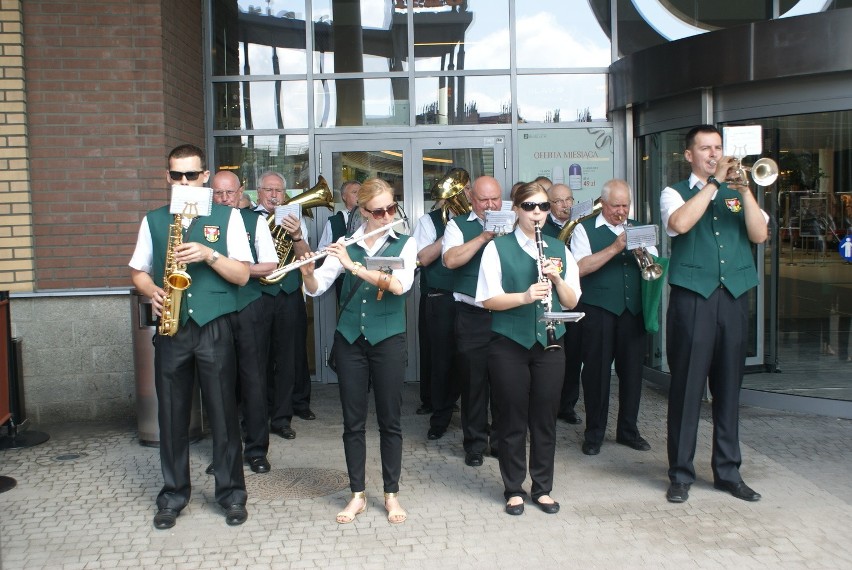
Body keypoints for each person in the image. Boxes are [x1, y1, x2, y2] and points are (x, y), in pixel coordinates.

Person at [129, 144, 251, 529]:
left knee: (224, 416)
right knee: (171, 415)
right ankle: (173, 494)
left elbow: (244, 276)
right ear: (168, 177)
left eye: (190, 175)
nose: (183, 181)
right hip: (173, 326)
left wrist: (209, 255)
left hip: (215, 326)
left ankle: (231, 494)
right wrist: (152, 291)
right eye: (175, 175)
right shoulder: (153, 220)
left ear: (204, 176)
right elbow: (137, 272)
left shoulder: (228, 218)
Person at [299, 178, 417, 525]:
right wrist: (307, 273)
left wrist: (355, 266)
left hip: (388, 339)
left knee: (390, 421)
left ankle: (391, 494)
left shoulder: (405, 245)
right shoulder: (345, 243)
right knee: (352, 423)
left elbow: (399, 286)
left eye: (391, 208)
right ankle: (357, 495)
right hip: (350, 340)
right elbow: (318, 288)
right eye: (378, 211)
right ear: (361, 210)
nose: (386, 215)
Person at [661, 125, 768, 503]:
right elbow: (680, 224)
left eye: (718, 147)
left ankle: (727, 471)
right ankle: (680, 474)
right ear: (689, 154)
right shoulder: (674, 192)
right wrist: (712, 184)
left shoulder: (737, 192)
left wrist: (745, 191)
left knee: (728, 389)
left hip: (734, 298)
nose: (713, 154)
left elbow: (758, 235)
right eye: (705, 148)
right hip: (694, 300)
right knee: (688, 388)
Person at [476, 182, 581, 515]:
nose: (538, 213)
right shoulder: (497, 248)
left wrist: (558, 279)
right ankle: (513, 487)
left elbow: (572, 300)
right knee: (511, 417)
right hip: (508, 342)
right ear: (517, 209)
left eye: (544, 207)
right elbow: (488, 299)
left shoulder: (558, 248)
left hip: (549, 343)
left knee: (545, 417)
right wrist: (524, 296)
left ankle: (543, 487)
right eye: (530, 206)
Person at [570, 179, 655, 456]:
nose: (621, 211)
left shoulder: (639, 226)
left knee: (632, 374)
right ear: (603, 204)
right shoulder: (584, 229)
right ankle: (594, 433)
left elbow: (654, 264)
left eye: (625, 205)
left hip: (632, 312)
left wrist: (644, 254)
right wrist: (616, 247)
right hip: (598, 310)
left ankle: (628, 431)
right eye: (616, 206)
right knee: (596, 375)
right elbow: (580, 268)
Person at [210, 170, 278, 474]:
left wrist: (235, 270)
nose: (225, 199)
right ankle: (224, 452)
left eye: (230, 193)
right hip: (214, 310)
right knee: (218, 384)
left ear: (241, 193)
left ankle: (256, 450)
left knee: (254, 381)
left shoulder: (256, 221)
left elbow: (271, 264)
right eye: (218, 193)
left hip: (249, 307)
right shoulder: (202, 221)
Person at [443, 175, 503, 466]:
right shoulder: (458, 226)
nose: (490, 205)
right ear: (471, 199)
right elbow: (450, 260)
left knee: (506, 382)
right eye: (484, 200)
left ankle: (502, 441)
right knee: (474, 383)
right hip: (472, 315)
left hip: (507, 313)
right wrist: (484, 236)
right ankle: (475, 445)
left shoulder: (515, 222)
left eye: (495, 199)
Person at [254, 172, 314, 439]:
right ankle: (259, 413)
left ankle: (281, 418)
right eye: (269, 190)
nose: (274, 195)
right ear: (259, 192)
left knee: (288, 359)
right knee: (258, 359)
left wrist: (298, 235)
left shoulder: (294, 218)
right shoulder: (247, 217)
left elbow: (307, 260)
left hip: (288, 293)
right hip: (257, 296)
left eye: (278, 190)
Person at [413, 169, 469, 440]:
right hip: (441, 299)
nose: (464, 195)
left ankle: (473, 419)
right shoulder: (429, 221)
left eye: (466, 190)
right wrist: (450, 233)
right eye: (461, 192)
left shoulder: (480, 222)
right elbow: (422, 258)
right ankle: (440, 418)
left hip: (472, 298)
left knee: (471, 361)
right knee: (441, 361)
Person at [542, 183, 583, 426]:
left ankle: (567, 405)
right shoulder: (541, 227)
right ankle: (547, 405)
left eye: (569, 199)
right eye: (558, 201)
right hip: (547, 299)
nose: (565, 205)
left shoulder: (580, 225)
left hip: (571, 297)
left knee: (573, 354)